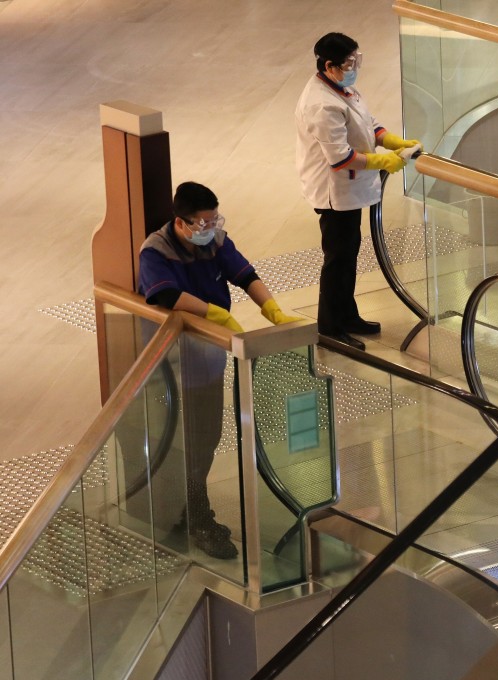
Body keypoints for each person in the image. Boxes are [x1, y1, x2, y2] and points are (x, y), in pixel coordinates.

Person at [138, 181, 302, 559]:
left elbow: (244, 273)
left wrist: (272, 309)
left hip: (208, 360)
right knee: (191, 444)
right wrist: (217, 314)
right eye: (202, 222)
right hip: (174, 367)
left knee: (206, 439)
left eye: (214, 220)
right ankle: (197, 519)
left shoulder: (214, 240)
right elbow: (166, 296)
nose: (209, 228)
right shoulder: (156, 252)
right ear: (180, 223)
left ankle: (185, 511)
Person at [295, 31, 419, 351]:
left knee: (348, 255)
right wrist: (384, 161)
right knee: (338, 260)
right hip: (334, 192)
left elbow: (368, 123)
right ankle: (330, 327)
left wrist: (391, 140)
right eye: (349, 62)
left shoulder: (342, 86)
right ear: (329, 65)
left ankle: (347, 315)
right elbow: (340, 158)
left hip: (350, 188)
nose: (355, 67)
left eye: (357, 60)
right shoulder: (321, 104)